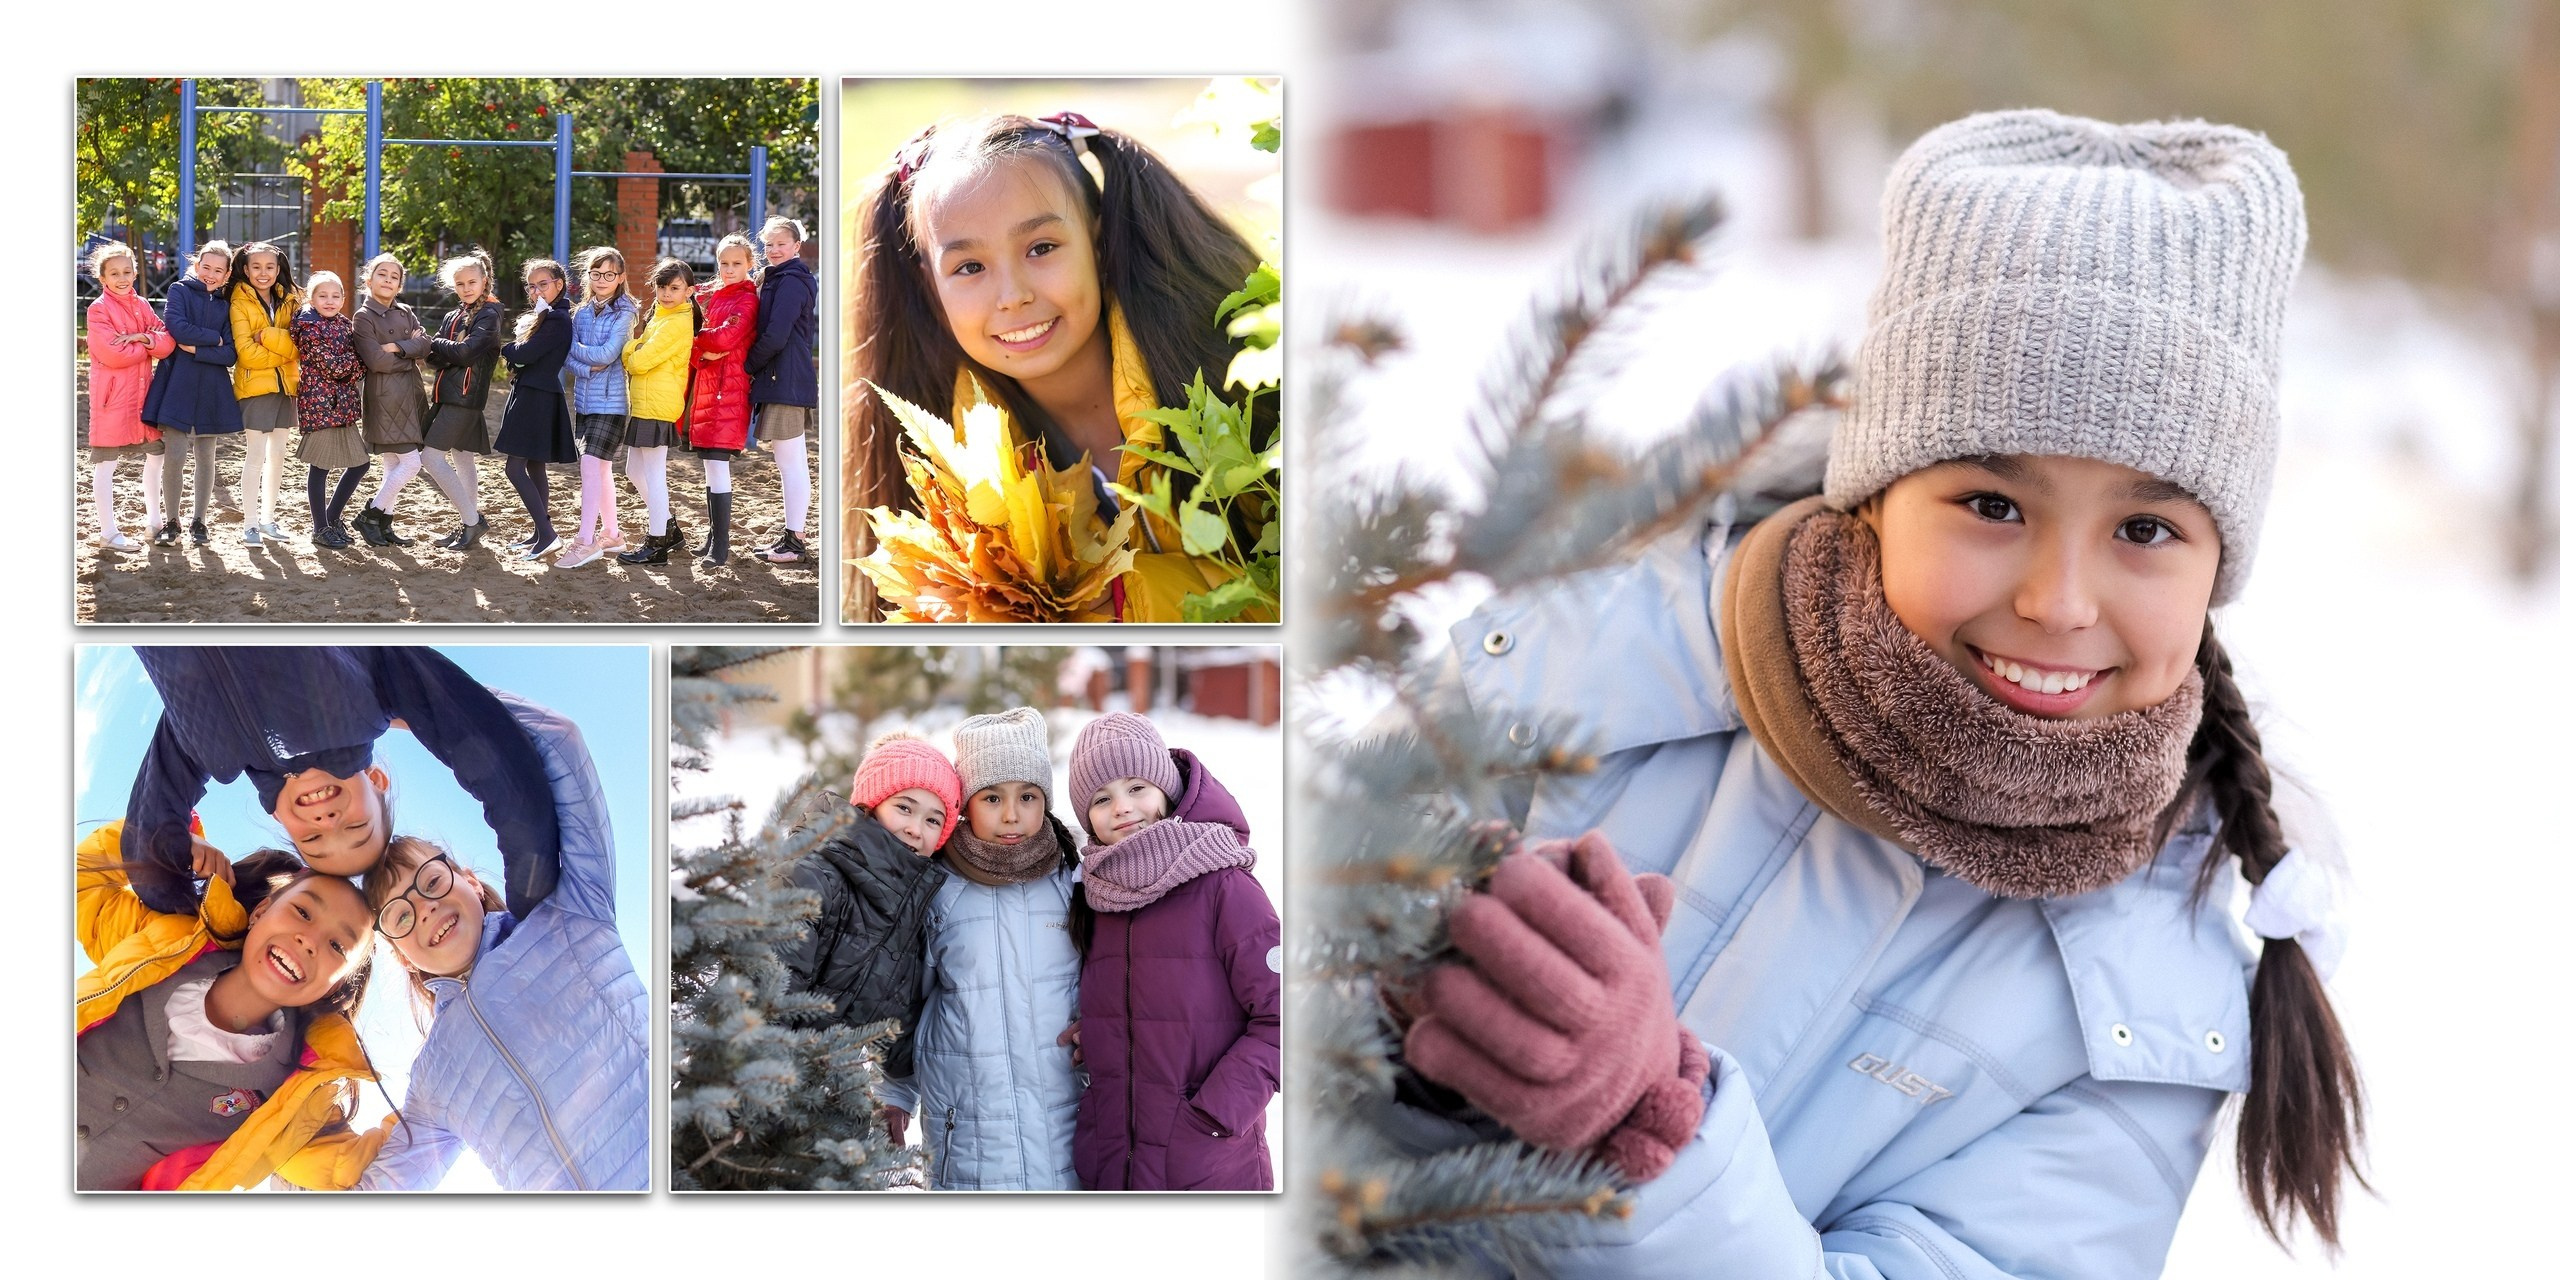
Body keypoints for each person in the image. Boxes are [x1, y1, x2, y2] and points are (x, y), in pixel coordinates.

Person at [1385, 110, 2362, 1277]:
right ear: (1875, 490)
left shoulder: (2144, 989)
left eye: (2145, 528)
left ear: (2217, 572)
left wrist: (1650, 1132)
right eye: (1991, 505)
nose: (2058, 599)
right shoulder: (1578, 662)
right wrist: (1393, 1019)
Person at [849, 112, 1274, 620]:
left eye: (1041, 248)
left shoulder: (1243, 376)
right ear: (930, 288)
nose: (1013, 296)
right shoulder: (948, 477)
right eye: (969, 267)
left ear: (1097, 241)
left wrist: (1118, 599)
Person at [355, 694, 647, 1190]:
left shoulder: (572, 912)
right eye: (400, 915)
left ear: (468, 878)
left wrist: (395, 706)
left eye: (431, 881)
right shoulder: (434, 1076)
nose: (424, 908)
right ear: (399, 951)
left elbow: (559, 739)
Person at [116, 646, 559, 920]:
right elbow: (499, 765)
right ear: (376, 780)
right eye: (354, 827)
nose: (327, 820)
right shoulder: (372, 688)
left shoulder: (209, 749)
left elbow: (145, 848)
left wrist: (204, 892)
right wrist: (532, 908)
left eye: (312, 838)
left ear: (279, 818)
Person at [76, 822, 385, 1190]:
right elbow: (83, 878)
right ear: (261, 912)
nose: (309, 940)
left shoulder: (295, 1096)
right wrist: (168, 840)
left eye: (338, 947)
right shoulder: (164, 942)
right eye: (303, 912)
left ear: (334, 986)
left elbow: (356, 1171)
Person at [1064, 713, 1279, 1190]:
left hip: (1208, 1164)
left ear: (1167, 788)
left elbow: (1284, 1015)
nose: (1121, 807)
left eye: (1136, 787)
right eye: (1101, 798)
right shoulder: (1099, 895)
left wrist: (1217, 1112)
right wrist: (1109, 1028)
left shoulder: (1225, 886)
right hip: (1114, 1162)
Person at [878, 707, 1084, 1190]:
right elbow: (907, 1000)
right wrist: (895, 1089)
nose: (1012, 815)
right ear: (966, 804)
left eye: (1028, 796)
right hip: (969, 1124)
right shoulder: (940, 889)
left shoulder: (1072, 879)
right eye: (992, 797)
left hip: (1067, 1115)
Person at [780, 732, 959, 1091]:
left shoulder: (910, 907)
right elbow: (767, 993)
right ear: (871, 804)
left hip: (830, 1102)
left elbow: (898, 1034)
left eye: (933, 820)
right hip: (765, 1087)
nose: (914, 829)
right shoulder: (813, 875)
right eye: (904, 808)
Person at [140, 241, 239, 547]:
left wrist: (199, 348)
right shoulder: (179, 290)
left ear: (227, 274)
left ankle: (200, 521)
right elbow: (177, 328)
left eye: (218, 270)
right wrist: (214, 339)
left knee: (207, 456)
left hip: (212, 386)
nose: (211, 274)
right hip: (178, 382)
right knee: (176, 455)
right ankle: (172, 521)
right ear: (197, 266)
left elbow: (231, 354)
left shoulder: (227, 305)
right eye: (206, 267)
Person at [83, 240, 172, 552]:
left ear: (135, 272)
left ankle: (155, 522)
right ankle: (108, 532)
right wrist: (146, 346)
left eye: (127, 271)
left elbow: (167, 342)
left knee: (156, 455)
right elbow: (112, 354)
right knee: (106, 465)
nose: (122, 278)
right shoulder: (98, 310)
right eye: (114, 273)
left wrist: (142, 336)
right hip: (111, 400)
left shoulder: (143, 305)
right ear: (103, 278)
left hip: (143, 397)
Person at [681, 236, 759, 567]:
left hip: (727, 390)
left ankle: (722, 546)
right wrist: (703, 349)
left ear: (750, 264)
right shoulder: (716, 295)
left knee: (718, 464)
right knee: (710, 466)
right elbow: (707, 344)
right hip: (709, 387)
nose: (729, 270)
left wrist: (696, 342)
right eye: (724, 263)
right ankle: (713, 538)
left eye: (736, 264)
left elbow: (727, 337)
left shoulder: (747, 299)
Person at [418, 250, 504, 551]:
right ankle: (466, 524)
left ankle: (472, 520)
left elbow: (465, 353)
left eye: (471, 282)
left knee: (429, 458)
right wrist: (445, 350)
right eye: (459, 284)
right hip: (447, 394)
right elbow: (432, 359)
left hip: (464, 399)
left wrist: (436, 342)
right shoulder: (453, 315)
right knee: (462, 458)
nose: (466, 288)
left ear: (485, 281)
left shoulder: (489, 315)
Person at [616, 256, 698, 564]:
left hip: (658, 403)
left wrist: (630, 350)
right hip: (646, 401)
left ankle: (657, 543)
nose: (666, 293)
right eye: (661, 287)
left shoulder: (676, 321)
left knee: (653, 473)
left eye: (674, 288)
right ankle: (668, 528)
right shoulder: (662, 316)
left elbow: (638, 360)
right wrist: (635, 349)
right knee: (633, 471)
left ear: (688, 291)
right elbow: (639, 353)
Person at [559, 246, 638, 569]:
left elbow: (608, 354)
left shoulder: (626, 311)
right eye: (596, 273)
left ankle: (585, 540)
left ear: (620, 278)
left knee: (590, 465)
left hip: (612, 401)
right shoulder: (580, 313)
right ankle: (612, 533)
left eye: (609, 274)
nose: (602, 280)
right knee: (600, 468)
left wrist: (577, 351)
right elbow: (566, 357)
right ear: (588, 276)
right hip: (584, 400)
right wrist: (584, 366)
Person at [494, 258, 577, 561]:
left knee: (513, 468)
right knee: (533, 465)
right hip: (535, 393)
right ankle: (539, 533)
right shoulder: (547, 315)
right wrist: (517, 357)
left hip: (536, 396)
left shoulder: (557, 319)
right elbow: (525, 357)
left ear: (559, 284)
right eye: (531, 286)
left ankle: (548, 535)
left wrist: (504, 348)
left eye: (543, 284)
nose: (536, 291)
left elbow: (526, 353)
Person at [746, 216, 817, 563]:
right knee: (788, 461)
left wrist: (748, 366)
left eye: (781, 243)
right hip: (781, 378)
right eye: (768, 244)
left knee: (792, 464)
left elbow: (776, 335)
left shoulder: (792, 282)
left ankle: (795, 541)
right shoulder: (777, 278)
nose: (773, 250)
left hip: (786, 379)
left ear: (796, 246)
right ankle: (791, 538)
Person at [349, 253, 433, 548]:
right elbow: (376, 362)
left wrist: (396, 346)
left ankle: (384, 524)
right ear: (368, 280)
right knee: (411, 464)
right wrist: (408, 355)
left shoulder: (406, 311)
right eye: (381, 274)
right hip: (385, 397)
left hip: (410, 394)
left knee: (392, 464)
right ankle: (370, 514)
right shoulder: (363, 317)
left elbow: (426, 344)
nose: (388, 280)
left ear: (399, 285)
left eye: (394, 276)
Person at [225, 240, 299, 547]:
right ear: (245, 269)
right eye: (256, 267)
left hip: (285, 387)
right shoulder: (239, 302)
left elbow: (301, 343)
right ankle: (250, 524)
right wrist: (286, 353)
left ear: (279, 268)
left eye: (270, 267)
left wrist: (269, 337)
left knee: (278, 457)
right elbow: (247, 354)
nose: (263, 273)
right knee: (255, 457)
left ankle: (268, 520)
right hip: (255, 388)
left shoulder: (290, 300)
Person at [290, 272, 371, 549]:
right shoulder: (308, 326)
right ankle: (320, 527)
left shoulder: (344, 324)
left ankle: (333, 517)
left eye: (336, 296)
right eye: (323, 295)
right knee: (321, 466)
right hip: (320, 404)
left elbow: (358, 367)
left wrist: (351, 364)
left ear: (344, 299)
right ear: (311, 299)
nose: (330, 300)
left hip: (343, 404)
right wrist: (354, 361)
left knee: (361, 463)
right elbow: (334, 367)